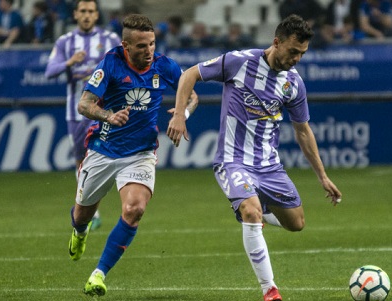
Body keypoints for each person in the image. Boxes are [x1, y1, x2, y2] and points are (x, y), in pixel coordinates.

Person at [166, 14, 342, 301]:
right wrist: (180, 115)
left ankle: (258, 212)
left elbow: (303, 131)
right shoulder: (239, 62)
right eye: (293, 51)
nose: (297, 58)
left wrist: (322, 176)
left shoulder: (293, 84)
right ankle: (269, 289)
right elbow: (190, 74)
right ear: (276, 42)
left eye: (302, 54)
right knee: (250, 211)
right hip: (232, 161)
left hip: (269, 167)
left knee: (296, 223)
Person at [67, 13, 198, 297]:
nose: (148, 50)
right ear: (126, 46)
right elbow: (84, 104)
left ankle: (98, 274)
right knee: (82, 216)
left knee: (134, 209)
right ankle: (79, 232)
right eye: (141, 46)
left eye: (151, 43)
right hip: (103, 150)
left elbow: (191, 95)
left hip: (140, 153)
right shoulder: (110, 64)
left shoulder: (165, 66)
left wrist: (182, 114)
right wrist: (108, 116)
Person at [45, 0, 121, 231]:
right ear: (76, 15)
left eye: (91, 11)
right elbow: (50, 71)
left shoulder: (111, 40)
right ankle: (91, 212)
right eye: (83, 12)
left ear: (96, 15)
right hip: (76, 113)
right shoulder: (65, 42)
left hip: (105, 110)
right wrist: (70, 63)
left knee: (113, 158)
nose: (87, 15)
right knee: (81, 161)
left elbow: (124, 66)